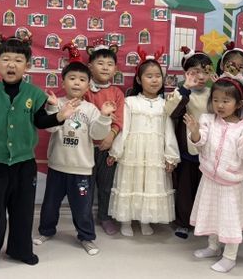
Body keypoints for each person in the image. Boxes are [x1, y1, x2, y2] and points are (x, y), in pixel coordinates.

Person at [0, 36, 79, 272]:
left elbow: (40, 121)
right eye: (6, 59)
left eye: (18, 60)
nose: (11, 64)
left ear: (27, 66)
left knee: (23, 211)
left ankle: (20, 250)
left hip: (24, 164)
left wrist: (59, 117)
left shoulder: (34, 93)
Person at [33, 60, 116, 255]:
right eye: (72, 78)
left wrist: (104, 117)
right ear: (63, 83)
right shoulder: (57, 103)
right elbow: (51, 128)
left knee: (82, 207)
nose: (77, 82)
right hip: (57, 167)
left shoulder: (91, 109)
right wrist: (53, 108)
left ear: (88, 85)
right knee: (50, 204)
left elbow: (97, 134)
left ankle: (86, 237)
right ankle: (46, 231)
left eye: (82, 79)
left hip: (82, 170)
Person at [184, 77, 243, 273]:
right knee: (212, 214)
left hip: (231, 183)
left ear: (239, 103)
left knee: (229, 219)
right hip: (209, 178)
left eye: (226, 101)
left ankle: (230, 256)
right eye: (216, 100)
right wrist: (194, 132)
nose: (220, 105)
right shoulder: (207, 120)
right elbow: (200, 142)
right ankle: (213, 246)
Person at [108, 56, 179, 236]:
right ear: (139, 80)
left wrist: (170, 156)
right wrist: (116, 152)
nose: (154, 80)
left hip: (155, 153)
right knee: (130, 185)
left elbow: (169, 131)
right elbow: (124, 128)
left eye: (158, 76)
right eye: (149, 76)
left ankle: (145, 220)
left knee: (150, 186)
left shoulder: (165, 105)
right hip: (133, 153)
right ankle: (126, 221)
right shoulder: (130, 102)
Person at [165, 47, 216, 239]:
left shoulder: (214, 92)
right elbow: (171, 112)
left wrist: (222, 85)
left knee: (207, 190)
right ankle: (183, 222)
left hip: (210, 150)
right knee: (185, 189)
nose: (201, 76)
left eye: (205, 71)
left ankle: (205, 222)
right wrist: (185, 88)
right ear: (186, 73)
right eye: (195, 72)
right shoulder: (181, 92)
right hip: (188, 149)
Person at [84, 41, 125, 235]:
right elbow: (84, 116)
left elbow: (120, 119)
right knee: (86, 185)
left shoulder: (117, 93)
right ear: (90, 67)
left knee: (106, 186)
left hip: (108, 148)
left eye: (110, 64)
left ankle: (104, 216)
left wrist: (111, 135)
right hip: (86, 147)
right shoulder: (85, 91)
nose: (105, 67)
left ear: (115, 69)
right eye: (100, 63)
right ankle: (84, 217)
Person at [216, 43, 243, 108]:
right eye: (231, 65)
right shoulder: (217, 85)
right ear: (221, 66)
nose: (235, 69)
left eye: (240, 67)